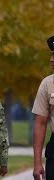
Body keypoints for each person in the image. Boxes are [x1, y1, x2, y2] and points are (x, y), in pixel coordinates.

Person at [32, 36, 54, 180]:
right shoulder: (47, 84)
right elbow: (40, 122)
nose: (51, 60)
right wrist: (37, 163)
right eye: (51, 55)